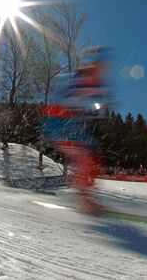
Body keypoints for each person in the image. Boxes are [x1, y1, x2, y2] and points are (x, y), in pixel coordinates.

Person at [40, 47, 112, 213]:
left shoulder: (94, 81)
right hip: (57, 122)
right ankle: (83, 197)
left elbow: (94, 98)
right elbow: (62, 90)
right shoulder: (82, 77)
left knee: (93, 153)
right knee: (86, 155)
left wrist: (100, 103)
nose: (104, 70)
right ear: (96, 64)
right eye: (102, 66)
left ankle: (85, 194)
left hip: (67, 123)